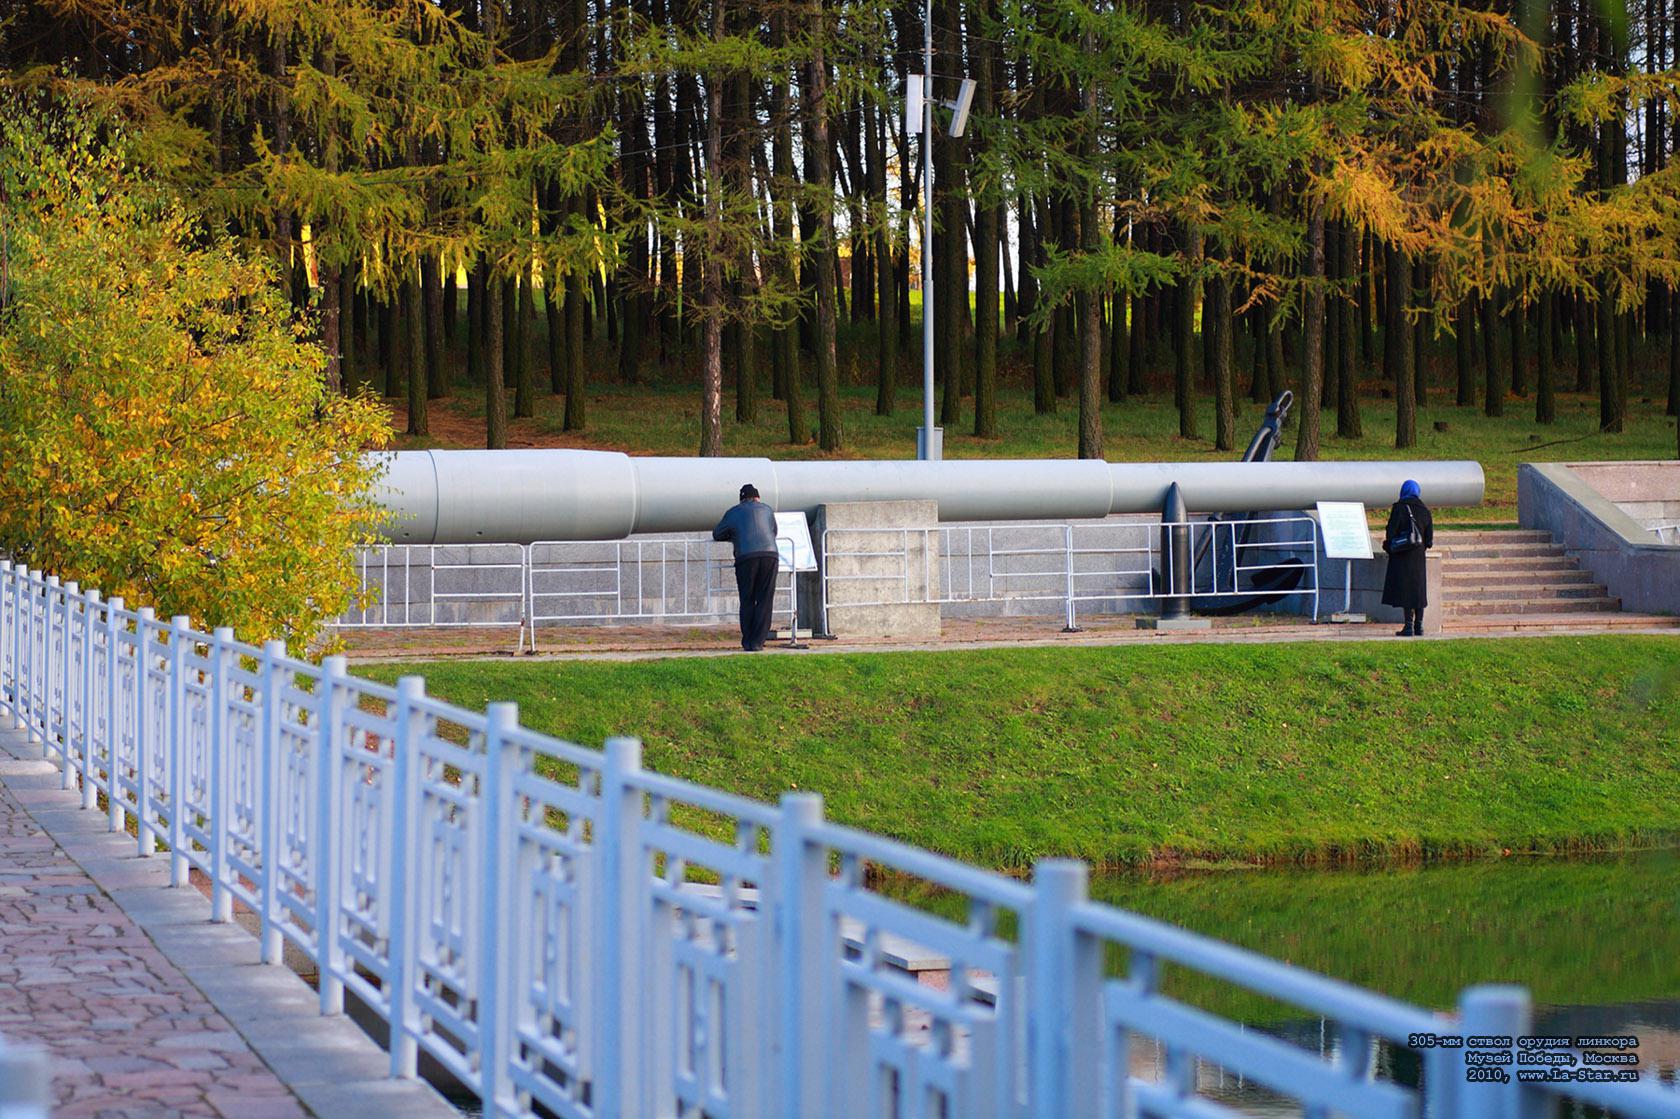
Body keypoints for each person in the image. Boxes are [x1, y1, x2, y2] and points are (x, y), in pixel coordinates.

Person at [713, 484, 780, 651]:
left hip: (745, 557)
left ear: (741, 499)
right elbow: (774, 531)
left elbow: (717, 533)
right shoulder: (767, 509)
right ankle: (758, 642)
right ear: (758, 498)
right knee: (765, 599)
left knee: (747, 599)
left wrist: (734, 534)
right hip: (769, 555)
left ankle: (748, 641)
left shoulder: (733, 512)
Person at [1381, 479, 1434, 636]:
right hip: (1418, 557)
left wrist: (1390, 546)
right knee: (1418, 590)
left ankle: (1408, 626)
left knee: (1406, 590)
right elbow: (1429, 539)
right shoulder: (1425, 510)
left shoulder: (1400, 508)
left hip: (1402, 556)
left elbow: (1391, 533)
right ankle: (1419, 626)